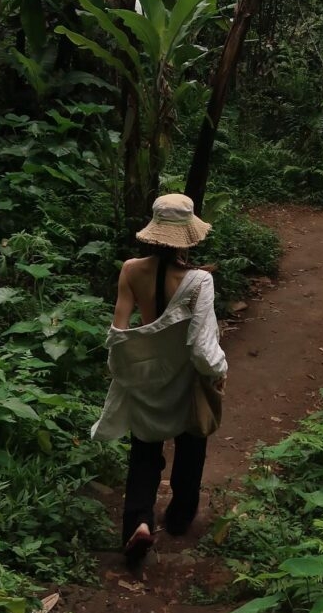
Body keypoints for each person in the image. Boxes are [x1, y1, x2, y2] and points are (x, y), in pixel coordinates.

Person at [90, 193, 228, 563]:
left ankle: (138, 521)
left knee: (145, 450)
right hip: (185, 376)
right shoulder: (199, 282)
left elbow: (119, 334)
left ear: (152, 231)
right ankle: (180, 517)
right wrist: (219, 372)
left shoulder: (130, 270)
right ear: (188, 234)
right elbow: (201, 346)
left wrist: (128, 372)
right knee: (192, 443)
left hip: (148, 375)